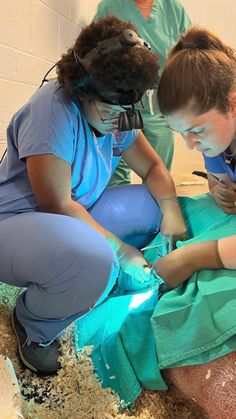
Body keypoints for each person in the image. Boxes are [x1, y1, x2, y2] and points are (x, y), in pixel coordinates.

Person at [0, 15, 187, 376]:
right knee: (98, 261)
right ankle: (34, 326)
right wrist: (120, 249)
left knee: (152, 208)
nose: (121, 121)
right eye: (113, 110)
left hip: (70, 217)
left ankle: (89, 279)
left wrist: (171, 213)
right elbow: (56, 204)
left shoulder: (115, 112)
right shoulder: (53, 111)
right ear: (81, 87)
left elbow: (154, 171)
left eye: (127, 111)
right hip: (17, 225)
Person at [75, 26, 236, 419]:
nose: (190, 145)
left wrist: (194, 258)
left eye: (196, 131)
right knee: (198, 215)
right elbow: (217, 174)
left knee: (206, 288)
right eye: (181, 134)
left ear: (233, 103)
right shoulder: (214, 139)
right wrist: (218, 184)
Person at [94, 0, 191, 185]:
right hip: (120, 103)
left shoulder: (174, 9)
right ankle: (117, 211)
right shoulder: (109, 6)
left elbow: (186, 55)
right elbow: (96, 55)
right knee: (115, 173)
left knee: (159, 173)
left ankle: (154, 211)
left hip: (158, 104)